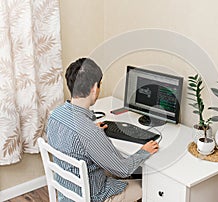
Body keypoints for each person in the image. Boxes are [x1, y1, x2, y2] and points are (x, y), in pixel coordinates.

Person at [47, 58, 159, 202]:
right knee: (145, 187)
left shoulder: (55, 115)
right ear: (94, 88)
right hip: (93, 196)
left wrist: (91, 130)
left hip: (67, 191)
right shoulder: (90, 134)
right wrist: (144, 151)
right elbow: (123, 170)